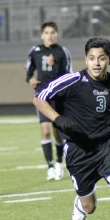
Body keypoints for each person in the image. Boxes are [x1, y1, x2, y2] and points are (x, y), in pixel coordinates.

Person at [33, 37, 110, 220]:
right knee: (90, 207)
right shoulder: (71, 81)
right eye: (92, 58)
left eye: (101, 58)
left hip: (107, 146)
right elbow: (39, 98)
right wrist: (58, 119)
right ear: (85, 60)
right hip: (78, 151)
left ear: (109, 60)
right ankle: (80, 205)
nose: (96, 63)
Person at [25, 22, 72, 180]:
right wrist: (31, 79)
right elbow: (29, 71)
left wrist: (54, 66)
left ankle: (59, 162)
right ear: (41, 35)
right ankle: (50, 166)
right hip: (42, 96)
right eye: (47, 32)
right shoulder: (35, 51)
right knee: (45, 130)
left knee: (58, 133)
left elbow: (68, 76)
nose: (50, 35)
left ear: (57, 34)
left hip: (58, 97)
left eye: (53, 32)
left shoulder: (62, 52)